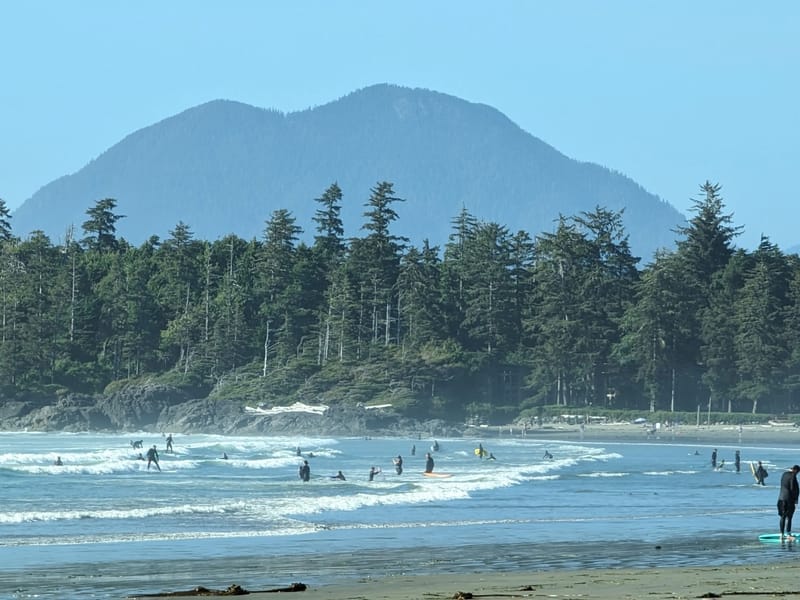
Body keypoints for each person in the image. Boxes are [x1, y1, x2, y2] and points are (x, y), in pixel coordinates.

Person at [778, 465, 800, 539]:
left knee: (782, 517)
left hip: (781, 498)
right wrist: (795, 499)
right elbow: (792, 488)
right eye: (798, 472)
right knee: (789, 517)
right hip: (789, 500)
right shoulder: (793, 476)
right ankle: (788, 534)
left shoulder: (784, 474)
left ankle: (781, 534)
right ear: (796, 470)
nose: (797, 474)